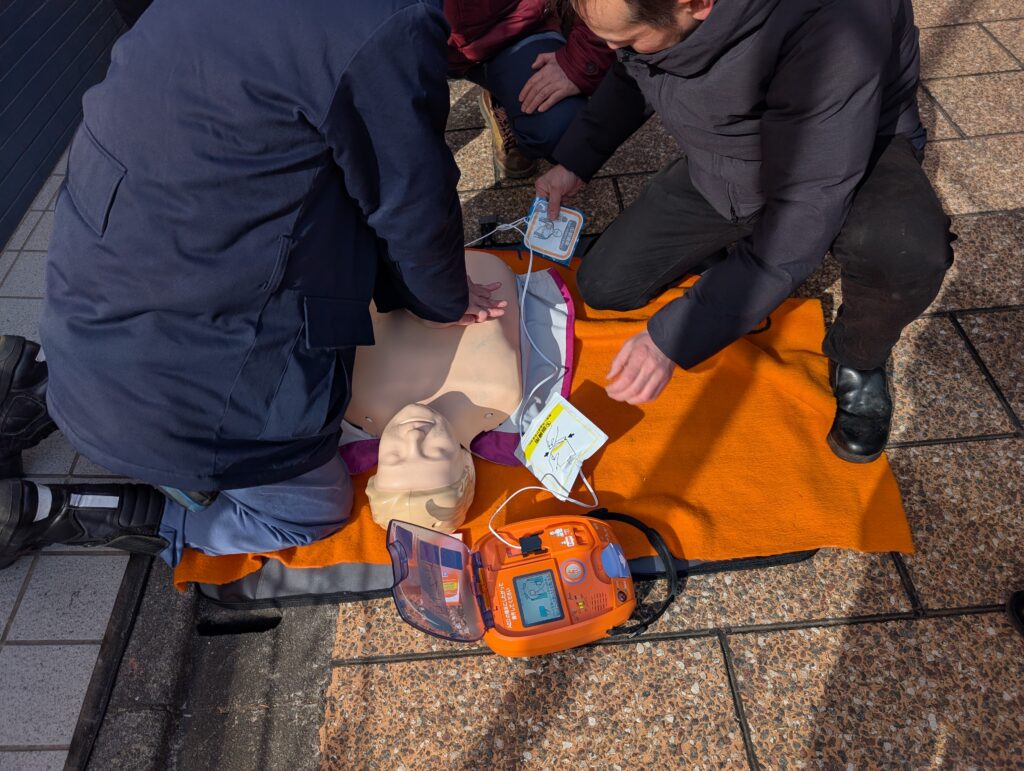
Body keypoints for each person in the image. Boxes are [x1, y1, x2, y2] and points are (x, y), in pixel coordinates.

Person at [0, 0, 507, 570]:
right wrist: (440, 297)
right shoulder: (382, 24)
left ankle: (36, 388)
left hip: (88, 297)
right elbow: (411, 202)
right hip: (170, 381)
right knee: (309, 509)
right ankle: (56, 510)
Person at [536, 0, 953, 463]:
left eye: (627, 39)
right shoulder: (649, 22)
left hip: (854, 149)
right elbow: (631, 71)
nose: (613, 50)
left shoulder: (839, 26)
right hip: (729, 161)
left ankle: (860, 354)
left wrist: (676, 336)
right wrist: (577, 160)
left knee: (903, 250)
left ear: (697, 4)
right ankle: (733, 253)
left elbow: (806, 204)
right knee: (604, 285)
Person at [447, 0, 614, 179]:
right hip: (435, 46)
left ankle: (501, 101)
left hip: (522, 27)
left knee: (570, 135)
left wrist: (579, 62)